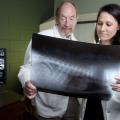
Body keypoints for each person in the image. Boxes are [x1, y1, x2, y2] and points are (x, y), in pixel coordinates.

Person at [18, 1, 81, 120]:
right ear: (56, 19)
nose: (67, 23)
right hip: (48, 107)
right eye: (63, 18)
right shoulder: (41, 38)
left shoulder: (77, 43)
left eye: (71, 18)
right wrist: (27, 82)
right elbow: (26, 68)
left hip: (72, 104)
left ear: (76, 19)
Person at [84, 4, 120, 120]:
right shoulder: (88, 51)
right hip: (87, 112)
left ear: (118, 26)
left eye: (108, 24)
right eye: (99, 24)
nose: (102, 28)